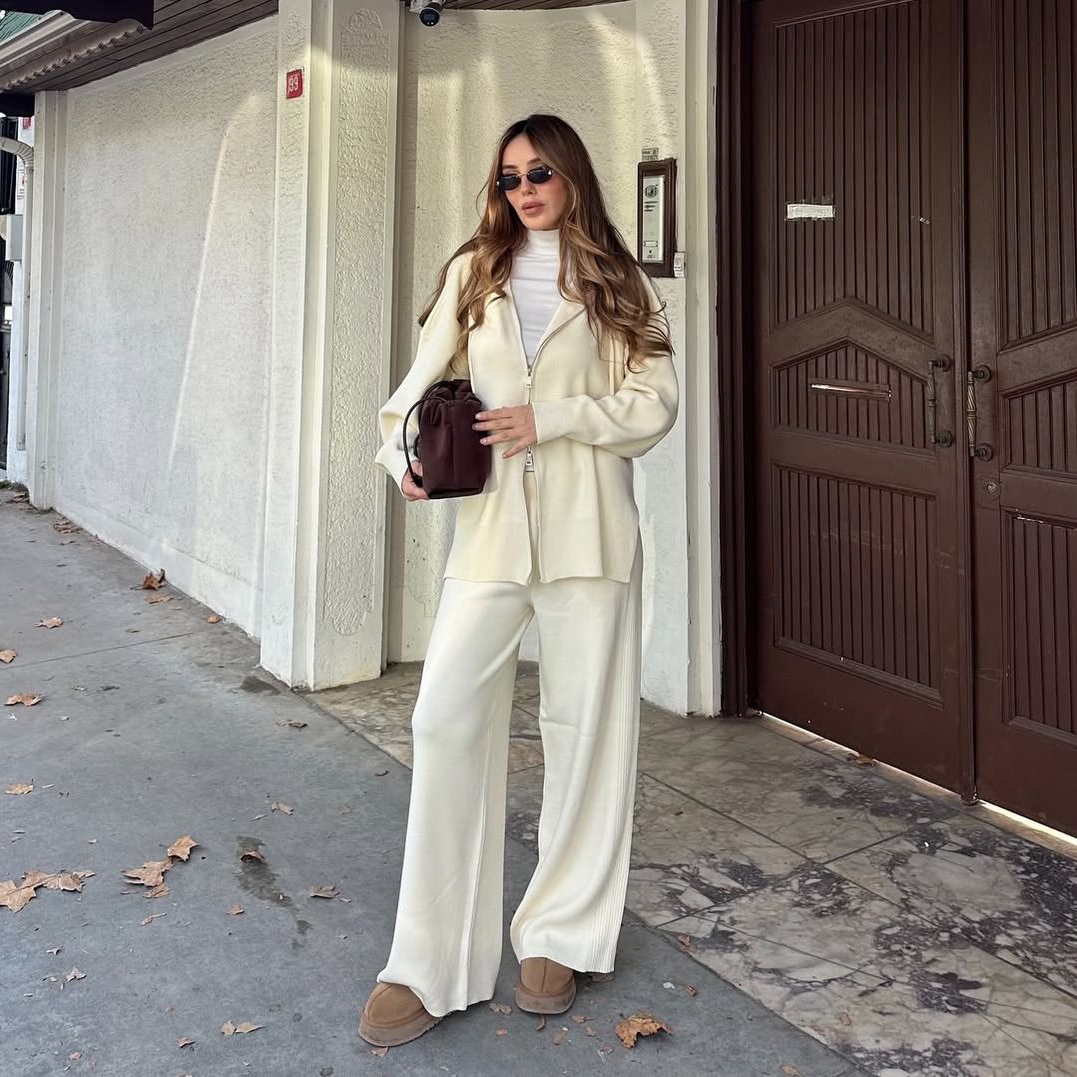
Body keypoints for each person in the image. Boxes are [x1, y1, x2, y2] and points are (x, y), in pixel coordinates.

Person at [360, 113, 679, 1048]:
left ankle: (561, 934)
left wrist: (555, 417)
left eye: (539, 172)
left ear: (571, 174)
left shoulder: (620, 282)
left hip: (591, 536)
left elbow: (654, 404)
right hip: (492, 535)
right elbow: (412, 392)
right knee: (444, 718)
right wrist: (404, 460)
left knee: (586, 731)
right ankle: (428, 959)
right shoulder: (475, 272)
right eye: (509, 177)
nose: (525, 189)